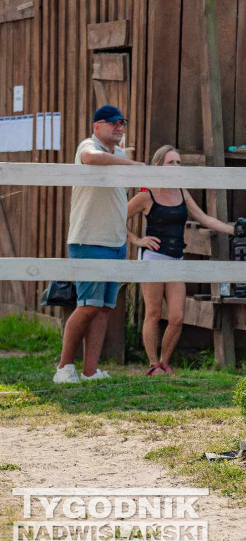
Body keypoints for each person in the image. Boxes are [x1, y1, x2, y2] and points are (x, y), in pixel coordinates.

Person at [54, 105, 145, 384]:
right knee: (88, 306)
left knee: (105, 308)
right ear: (97, 126)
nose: (119, 127)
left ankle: (90, 371)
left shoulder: (117, 154)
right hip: (89, 238)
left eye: (122, 123)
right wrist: (130, 163)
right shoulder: (89, 144)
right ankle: (64, 368)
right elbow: (89, 158)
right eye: (113, 123)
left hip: (115, 241)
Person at [127, 145, 236, 375]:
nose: (176, 166)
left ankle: (165, 362)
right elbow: (117, 217)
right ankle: (153, 364)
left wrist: (230, 229)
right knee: (154, 313)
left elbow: (203, 217)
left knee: (177, 316)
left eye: (178, 162)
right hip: (153, 259)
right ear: (159, 165)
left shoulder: (182, 192)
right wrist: (137, 240)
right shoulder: (147, 194)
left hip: (176, 258)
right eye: (171, 162)